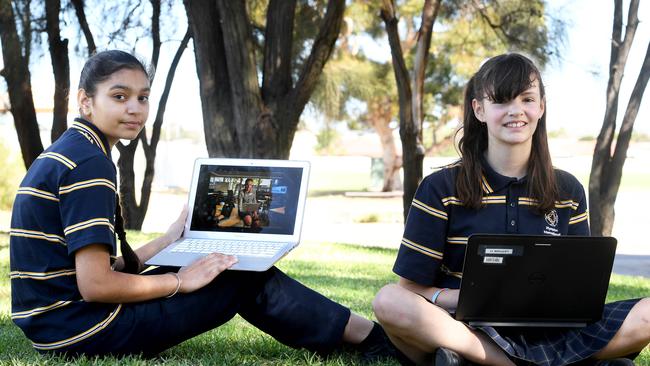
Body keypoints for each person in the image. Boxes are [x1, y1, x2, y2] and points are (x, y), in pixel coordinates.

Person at [9, 50, 396, 361]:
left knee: (221, 266)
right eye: (119, 96)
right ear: (85, 101)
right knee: (240, 272)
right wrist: (180, 280)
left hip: (55, 327)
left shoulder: (68, 152)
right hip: (84, 330)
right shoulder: (90, 163)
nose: (135, 109)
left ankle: (358, 336)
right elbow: (95, 286)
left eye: (143, 97)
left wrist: (166, 242)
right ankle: (372, 340)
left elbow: (97, 270)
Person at [372, 53, 650, 366]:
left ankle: (479, 362)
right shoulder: (440, 187)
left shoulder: (568, 191)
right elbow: (409, 289)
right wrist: (474, 302)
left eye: (527, 99)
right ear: (479, 109)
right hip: (464, 328)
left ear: (541, 106)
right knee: (389, 301)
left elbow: (577, 290)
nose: (516, 110)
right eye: (501, 100)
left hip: (550, 333)